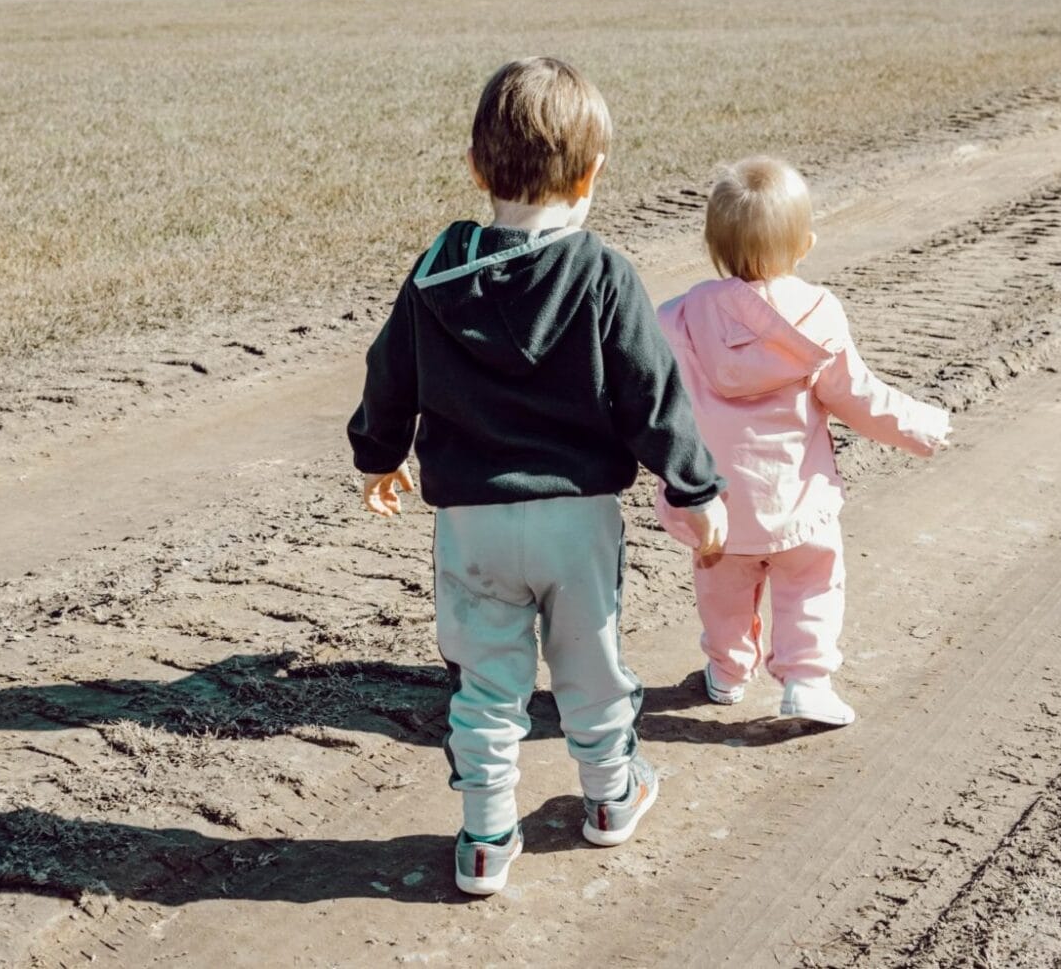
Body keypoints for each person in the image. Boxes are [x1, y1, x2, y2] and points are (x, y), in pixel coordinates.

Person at [348, 56, 728, 898]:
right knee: (590, 663)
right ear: (591, 174)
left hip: (473, 523)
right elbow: (652, 395)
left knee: (486, 680)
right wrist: (693, 488)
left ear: (478, 170)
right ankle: (610, 797)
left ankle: (485, 837)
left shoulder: (437, 270)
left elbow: (390, 375)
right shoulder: (601, 272)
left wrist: (379, 454)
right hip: (578, 519)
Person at [655, 156, 950, 728]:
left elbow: (652, 401)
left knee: (722, 594)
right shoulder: (818, 315)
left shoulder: (678, 320)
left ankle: (726, 671)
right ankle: (807, 681)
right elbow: (858, 397)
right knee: (811, 587)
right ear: (806, 244)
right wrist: (924, 425)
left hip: (717, 508)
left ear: (713, 244)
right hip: (799, 507)